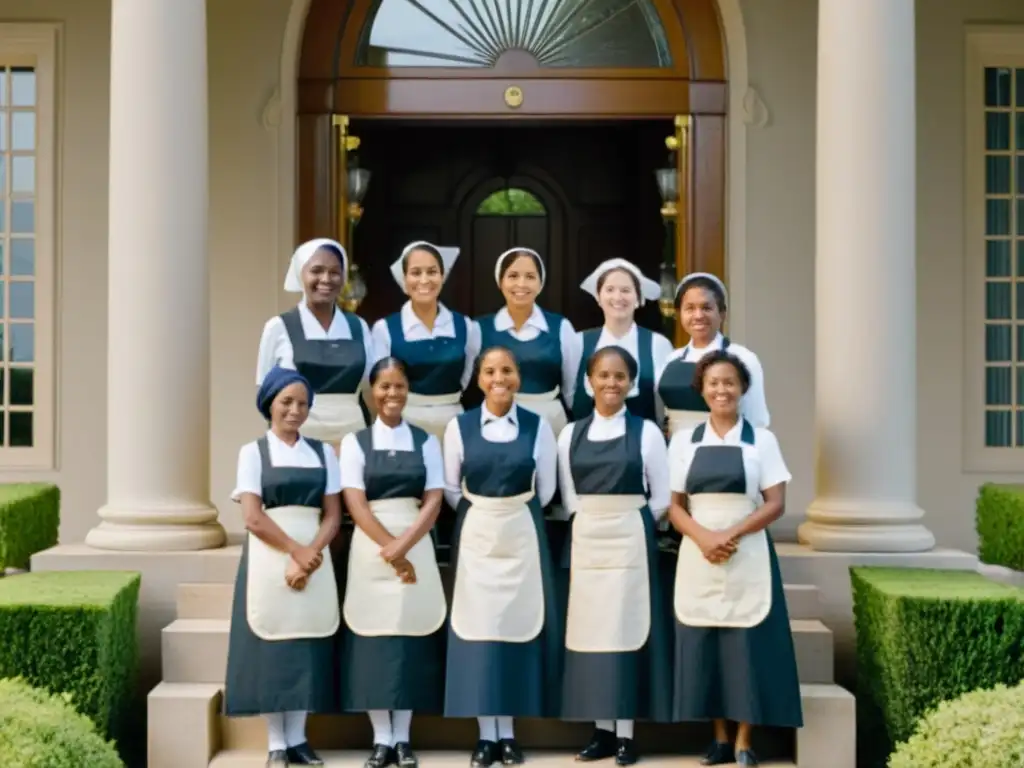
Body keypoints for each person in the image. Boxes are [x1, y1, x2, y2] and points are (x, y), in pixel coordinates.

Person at [667, 350, 802, 767]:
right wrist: (705, 538)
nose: (721, 389)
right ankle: (719, 738)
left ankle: (745, 739)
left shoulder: (761, 439)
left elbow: (776, 502)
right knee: (705, 645)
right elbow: (674, 506)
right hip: (698, 549)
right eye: (713, 383)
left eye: (729, 382)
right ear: (702, 390)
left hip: (747, 549)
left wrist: (729, 534)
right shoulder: (684, 441)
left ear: (743, 389)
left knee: (747, 647)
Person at [441, 347, 562, 767]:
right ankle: (484, 736)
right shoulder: (459, 427)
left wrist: (511, 511)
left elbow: (546, 489)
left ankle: (507, 734)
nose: (499, 378)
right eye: (490, 370)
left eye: (507, 370)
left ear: (519, 377)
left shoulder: (538, 426)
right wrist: (487, 513)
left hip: (522, 535)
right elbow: (452, 489)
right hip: (477, 534)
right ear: (478, 379)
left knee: (515, 631)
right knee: (478, 633)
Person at [557, 347, 672, 766]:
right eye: (603, 375)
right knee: (592, 635)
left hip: (629, 539)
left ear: (632, 383)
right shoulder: (570, 434)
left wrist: (626, 520)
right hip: (588, 538)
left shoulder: (646, 433)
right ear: (589, 381)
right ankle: (601, 732)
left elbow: (660, 497)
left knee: (627, 631)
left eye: (620, 376)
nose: (611, 383)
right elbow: (568, 496)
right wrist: (595, 520)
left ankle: (626, 735)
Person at [224, 366, 343, 768]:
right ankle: (277, 742)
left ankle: (299, 739)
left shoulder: (323, 452)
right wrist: (296, 552)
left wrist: (312, 553)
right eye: (286, 402)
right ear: (269, 404)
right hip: (270, 556)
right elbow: (253, 518)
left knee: (306, 647)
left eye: (303, 403)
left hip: (313, 555)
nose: (295, 410)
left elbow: (332, 514)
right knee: (273, 648)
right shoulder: (252, 452)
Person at [339, 357, 447, 768]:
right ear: (371, 392)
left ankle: (402, 738)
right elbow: (354, 501)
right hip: (372, 547)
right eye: (384, 386)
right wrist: (390, 549)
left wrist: (404, 546)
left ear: (408, 390)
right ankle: (380, 738)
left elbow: (434, 498)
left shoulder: (425, 441)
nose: (392, 394)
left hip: (414, 539)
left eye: (399, 386)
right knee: (374, 640)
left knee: (408, 640)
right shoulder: (355, 442)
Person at [256, 238, 374, 450]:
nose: (326, 279)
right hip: (297, 438)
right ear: (301, 274)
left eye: (334, 272)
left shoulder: (359, 327)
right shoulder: (278, 327)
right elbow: (265, 390)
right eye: (316, 270)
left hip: (352, 440)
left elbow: (369, 386)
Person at [372, 241, 481, 441]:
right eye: (416, 272)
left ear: (443, 276)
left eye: (432, 272)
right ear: (404, 280)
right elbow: (380, 385)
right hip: (404, 422)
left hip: (453, 423)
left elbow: (466, 377)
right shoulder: (384, 329)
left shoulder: (466, 327)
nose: (424, 279)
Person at [477, 247, 581, 437]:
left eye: (530, 277)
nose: (521, 284)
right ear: (500, 281)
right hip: (496, 419)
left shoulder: (560, 327)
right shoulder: (480, 329)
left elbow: (571, 389)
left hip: (549, 421)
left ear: (541, 283)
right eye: (513, 276)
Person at [656, 273, 769, 436]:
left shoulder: (743, 358)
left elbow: (756, 421)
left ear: (722, 313)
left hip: (723, 448)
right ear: (679, 313)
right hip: (675, 452)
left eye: (706, 308)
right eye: (690, 308)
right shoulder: (671, 359)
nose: (698, 316)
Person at [571, 259, 674, 425]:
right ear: (598, 297)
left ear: (638, 298)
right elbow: (570, 394)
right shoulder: (578, 342)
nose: (617, 297)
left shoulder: (658, 344)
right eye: (610, 290)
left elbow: (663, 401)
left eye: (626, 290)